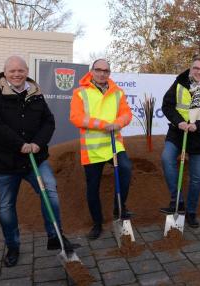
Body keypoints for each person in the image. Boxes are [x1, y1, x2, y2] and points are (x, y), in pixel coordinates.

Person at [0, 56, 78, 267]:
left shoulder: (35, 93)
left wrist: (38, 143)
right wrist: (19, 144)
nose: (17, 74)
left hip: (35, 158)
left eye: (20, 70)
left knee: (49, 190)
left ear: (26, 72)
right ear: (4, 72)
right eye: (12, 71)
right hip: (3, 163)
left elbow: (48, 121)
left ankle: (55, 236)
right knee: (6, 206)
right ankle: (13, 246)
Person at [70, 59, 133, 240]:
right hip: (92, 148)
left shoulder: (117, 92)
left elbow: (126, 114)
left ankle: (118, 208)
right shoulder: (80, 93)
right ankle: (97, 224)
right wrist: (103, 125)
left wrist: (118, 123)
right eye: (98, 70)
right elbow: (76, 118)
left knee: (126, 169)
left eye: (106, 70)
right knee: (92, 187)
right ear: (91, 71)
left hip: (114, 144)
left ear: (109, 73)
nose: (102, 73)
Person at [160, 55, 200, 228]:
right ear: (191, 68)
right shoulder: (179, 82)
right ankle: (177, 200)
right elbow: (167, 105)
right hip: (177, 132)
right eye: (196, 68)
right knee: (167, 159)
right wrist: (179, 122)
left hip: (199, 136)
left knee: (196, 177)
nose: (199, 72)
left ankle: (191, 211)